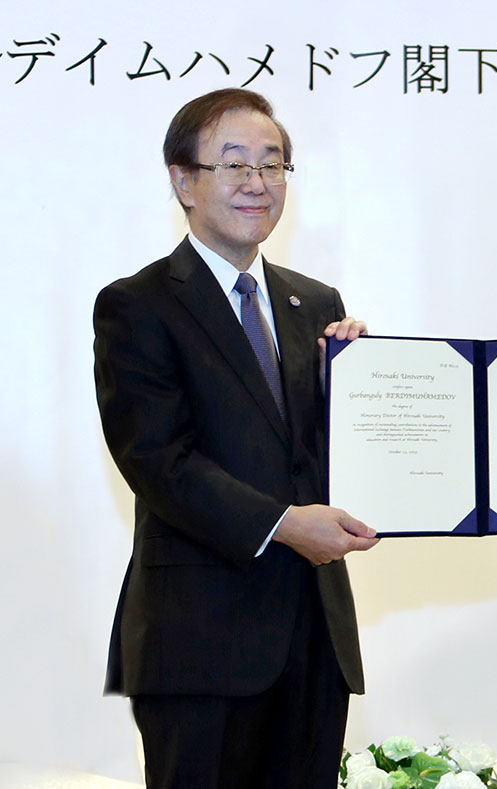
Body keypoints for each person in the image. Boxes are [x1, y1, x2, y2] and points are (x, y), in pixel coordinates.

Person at [93, 88, 378, 789]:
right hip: (197, 643)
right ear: (183, 180)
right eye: (234, 164)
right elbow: (159, 462)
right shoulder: (138, 305)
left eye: (273, 165)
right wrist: (282, 524)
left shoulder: (315, 304)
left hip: (313, 636)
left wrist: (363, 384)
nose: (258, 183)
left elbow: (317, 454)